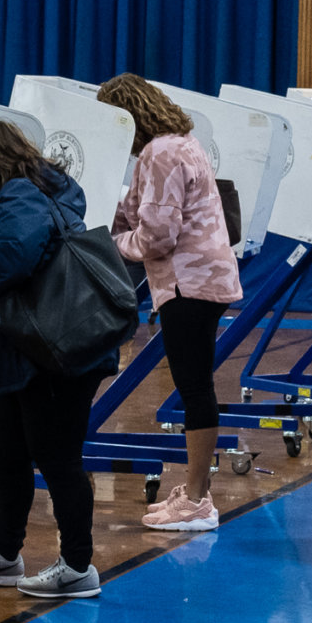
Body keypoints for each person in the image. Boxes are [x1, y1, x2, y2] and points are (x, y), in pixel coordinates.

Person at [0, 121, 115, 599]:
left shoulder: (20, 196)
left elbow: (8, 261)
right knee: (7, 448)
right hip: (35, 350)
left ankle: (78, 566)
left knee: (57, 456)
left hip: (53, 353)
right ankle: (5, 555)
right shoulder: (37, 190)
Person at [92, 73, 241, 533]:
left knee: (194, 390)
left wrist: (110, 245)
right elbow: (134, 208)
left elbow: (156, 237)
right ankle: (197, 493)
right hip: (200, 280)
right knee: (194, 387)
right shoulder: (179, 143)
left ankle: (198, 500)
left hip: (188, 284)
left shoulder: (161, 153)